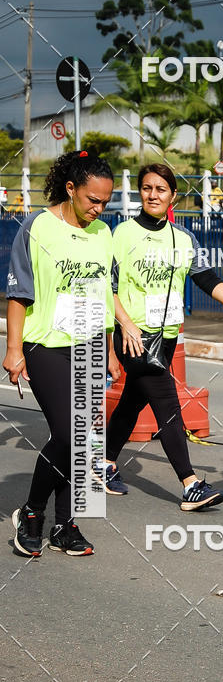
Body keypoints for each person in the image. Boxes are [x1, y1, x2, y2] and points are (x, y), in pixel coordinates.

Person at [99, 162, 223, 509]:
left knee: (133, 400)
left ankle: (102, 463)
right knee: (167, 403)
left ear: (173, 196)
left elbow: (207, 278)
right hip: (135, 336)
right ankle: (190, 483)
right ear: (139, 193)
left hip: (168, 335)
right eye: (147, 188)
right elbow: (108, 286)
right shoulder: (122, 234)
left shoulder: (183, 238)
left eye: (160, 189)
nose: (153, 195)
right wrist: (125, 324)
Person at [3, 150, 118, 558]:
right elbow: (19, 293)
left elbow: (103, 294)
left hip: (88, 343)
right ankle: (32, 512)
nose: (98, 208)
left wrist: (108, 349)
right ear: (70, 189)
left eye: (105, 201)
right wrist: (13, 349)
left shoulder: (103, 233)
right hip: (45, 345)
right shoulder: (37, 227)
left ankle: (65, 525)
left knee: (83, 441)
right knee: (70, 434)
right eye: (91, 199)